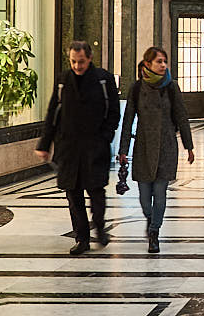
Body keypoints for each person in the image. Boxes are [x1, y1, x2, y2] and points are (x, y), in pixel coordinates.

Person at [36, 41, 120, 256]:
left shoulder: (103, 79)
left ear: (89, 58)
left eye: (81, 61)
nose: (77, 66)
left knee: (96, 191)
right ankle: (81, 238)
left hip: (95, 147)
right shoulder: (63, 80)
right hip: (69, 149)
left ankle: (100, 227)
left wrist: (105, 138)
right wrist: (45, 144)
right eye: (73, 61)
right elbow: (52, 113)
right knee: (73, 195)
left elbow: (113, 113)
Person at [115, 46, 195, 254]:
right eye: (158, 61)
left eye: (164, 61)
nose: (163, 65)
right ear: (147, 64)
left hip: (166, 145)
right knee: (143, 196)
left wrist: (189, 146)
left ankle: (154, 232)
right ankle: (151, 219)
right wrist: (123, 148)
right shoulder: (137, 88)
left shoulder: (171, 87)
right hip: (143, 146)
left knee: (160, 192)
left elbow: (181, 117)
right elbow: (128, 119)